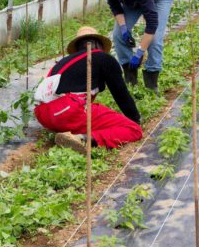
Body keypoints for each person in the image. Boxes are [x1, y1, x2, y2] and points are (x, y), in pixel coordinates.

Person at [34, 26, 143, 154]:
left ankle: (70, 133)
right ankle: (82, 138)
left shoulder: (63, 62)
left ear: (78, 47)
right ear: (100, 45)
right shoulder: (103, 58)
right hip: (67, 111)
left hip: (43, 115)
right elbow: (121, 94)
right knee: (133, 130)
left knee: (87, 115)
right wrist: (135, 119)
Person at [102, 0, 173, 92]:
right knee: (117, 35)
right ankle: (130, 78)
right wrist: (124, 29)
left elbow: (152, 23)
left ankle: (151, 84)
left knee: (155, 39)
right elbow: (116, 7)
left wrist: (140, 52)